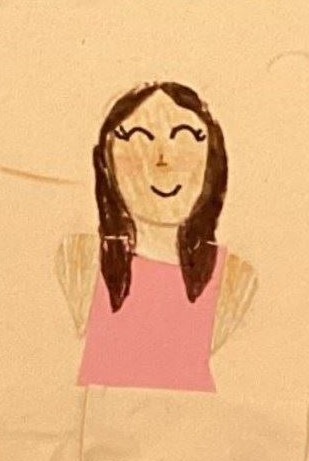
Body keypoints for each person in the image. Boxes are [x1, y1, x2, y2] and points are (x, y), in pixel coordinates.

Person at [57, 82, 258, 393]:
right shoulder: (80, 259)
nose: (162, 160)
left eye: (185, 137)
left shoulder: (234, 276)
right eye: (138, 138)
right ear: (106, 161)